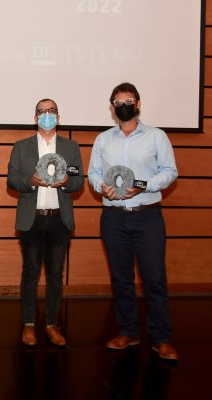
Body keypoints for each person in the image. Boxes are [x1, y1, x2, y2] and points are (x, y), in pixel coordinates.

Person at [88, 82, 179, 361]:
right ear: (112, 108)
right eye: (118, 102)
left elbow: (170, 171)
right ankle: (127, 331)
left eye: (128, 101)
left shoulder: (156, 137)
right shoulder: (103, 139)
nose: (123, 105)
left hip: (147, 217)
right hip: (113, 218)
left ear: (138, 104)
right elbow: (93, 173)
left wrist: (146, 185)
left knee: (154, 279)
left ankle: (161, 338)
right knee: (121, 279)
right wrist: (101, 185)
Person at [7, 99, 84, 347]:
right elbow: (12, 180)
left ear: (58, 117)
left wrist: (66, 184)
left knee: (55, 274)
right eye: (42, 112)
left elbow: (78, 181)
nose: (46, 115)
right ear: (35, 118)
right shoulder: (21, 147)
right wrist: (31, 182)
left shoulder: (71, 147)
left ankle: (52, 324)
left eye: (51, 111)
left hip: (59, 220)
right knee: (30, 273)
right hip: (32, 219)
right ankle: (28, 325)